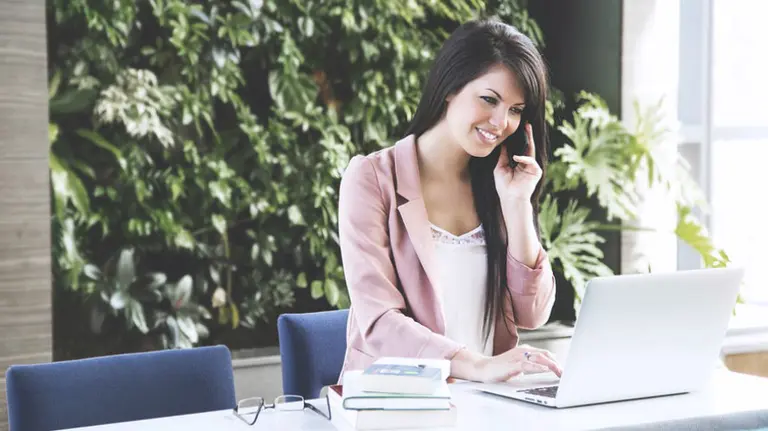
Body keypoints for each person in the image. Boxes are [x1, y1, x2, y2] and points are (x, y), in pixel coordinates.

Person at [337, 18, 563, 384]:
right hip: (396, 402)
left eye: (516, 109)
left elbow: (533, 314)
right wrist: (476, 365)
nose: (500, 122)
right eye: (489, 99)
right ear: (449, 88)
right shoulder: (372, 179)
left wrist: (518, 206)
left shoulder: (500, 185)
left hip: (486, 405)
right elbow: (378, 322)